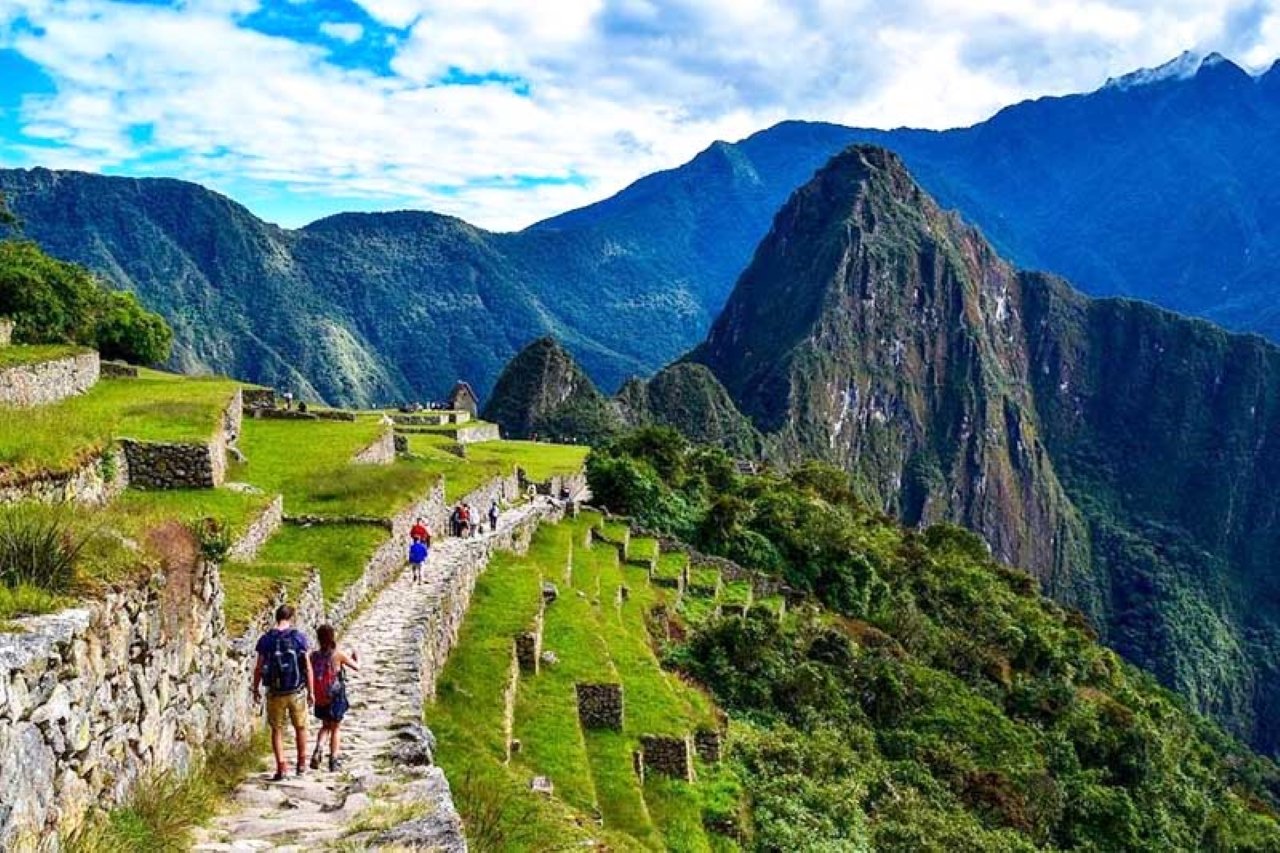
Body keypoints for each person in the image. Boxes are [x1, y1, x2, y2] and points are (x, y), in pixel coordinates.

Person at [252, 604, 314, 781]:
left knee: (276, 730)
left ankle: (282, 767)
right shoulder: (299, 638)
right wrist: (311, 692)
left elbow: (258, 668)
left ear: (276, 617)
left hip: (275, 692)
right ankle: (301, 764)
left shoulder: (266, 640)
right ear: (291, 618)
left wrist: (255, 688)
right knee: (300, 727)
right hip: (296, 691)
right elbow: (307, 667)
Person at [309, 624, 360, 772]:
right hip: (335, 697)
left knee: (325, 726)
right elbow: (356, 667)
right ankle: (334, 759)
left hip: (320, 697)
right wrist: (357, 657)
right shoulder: (338, 655)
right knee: (336, 728)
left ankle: (318, 748)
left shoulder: (314, 656)